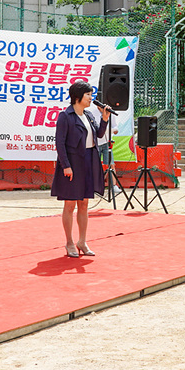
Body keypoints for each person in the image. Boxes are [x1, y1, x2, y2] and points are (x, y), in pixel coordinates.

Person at [51, 80, 110, 258]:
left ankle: (82, 242)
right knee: (70, 204)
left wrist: (105, 119)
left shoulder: (90, 115)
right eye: (88, 95)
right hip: (72, 162)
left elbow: (99, 135)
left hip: (89, 160)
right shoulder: (65, 116)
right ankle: (69, 242)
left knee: (84, 203)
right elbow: (60, 143)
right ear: (77, 97)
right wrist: (66, 166)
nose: (91, 98)